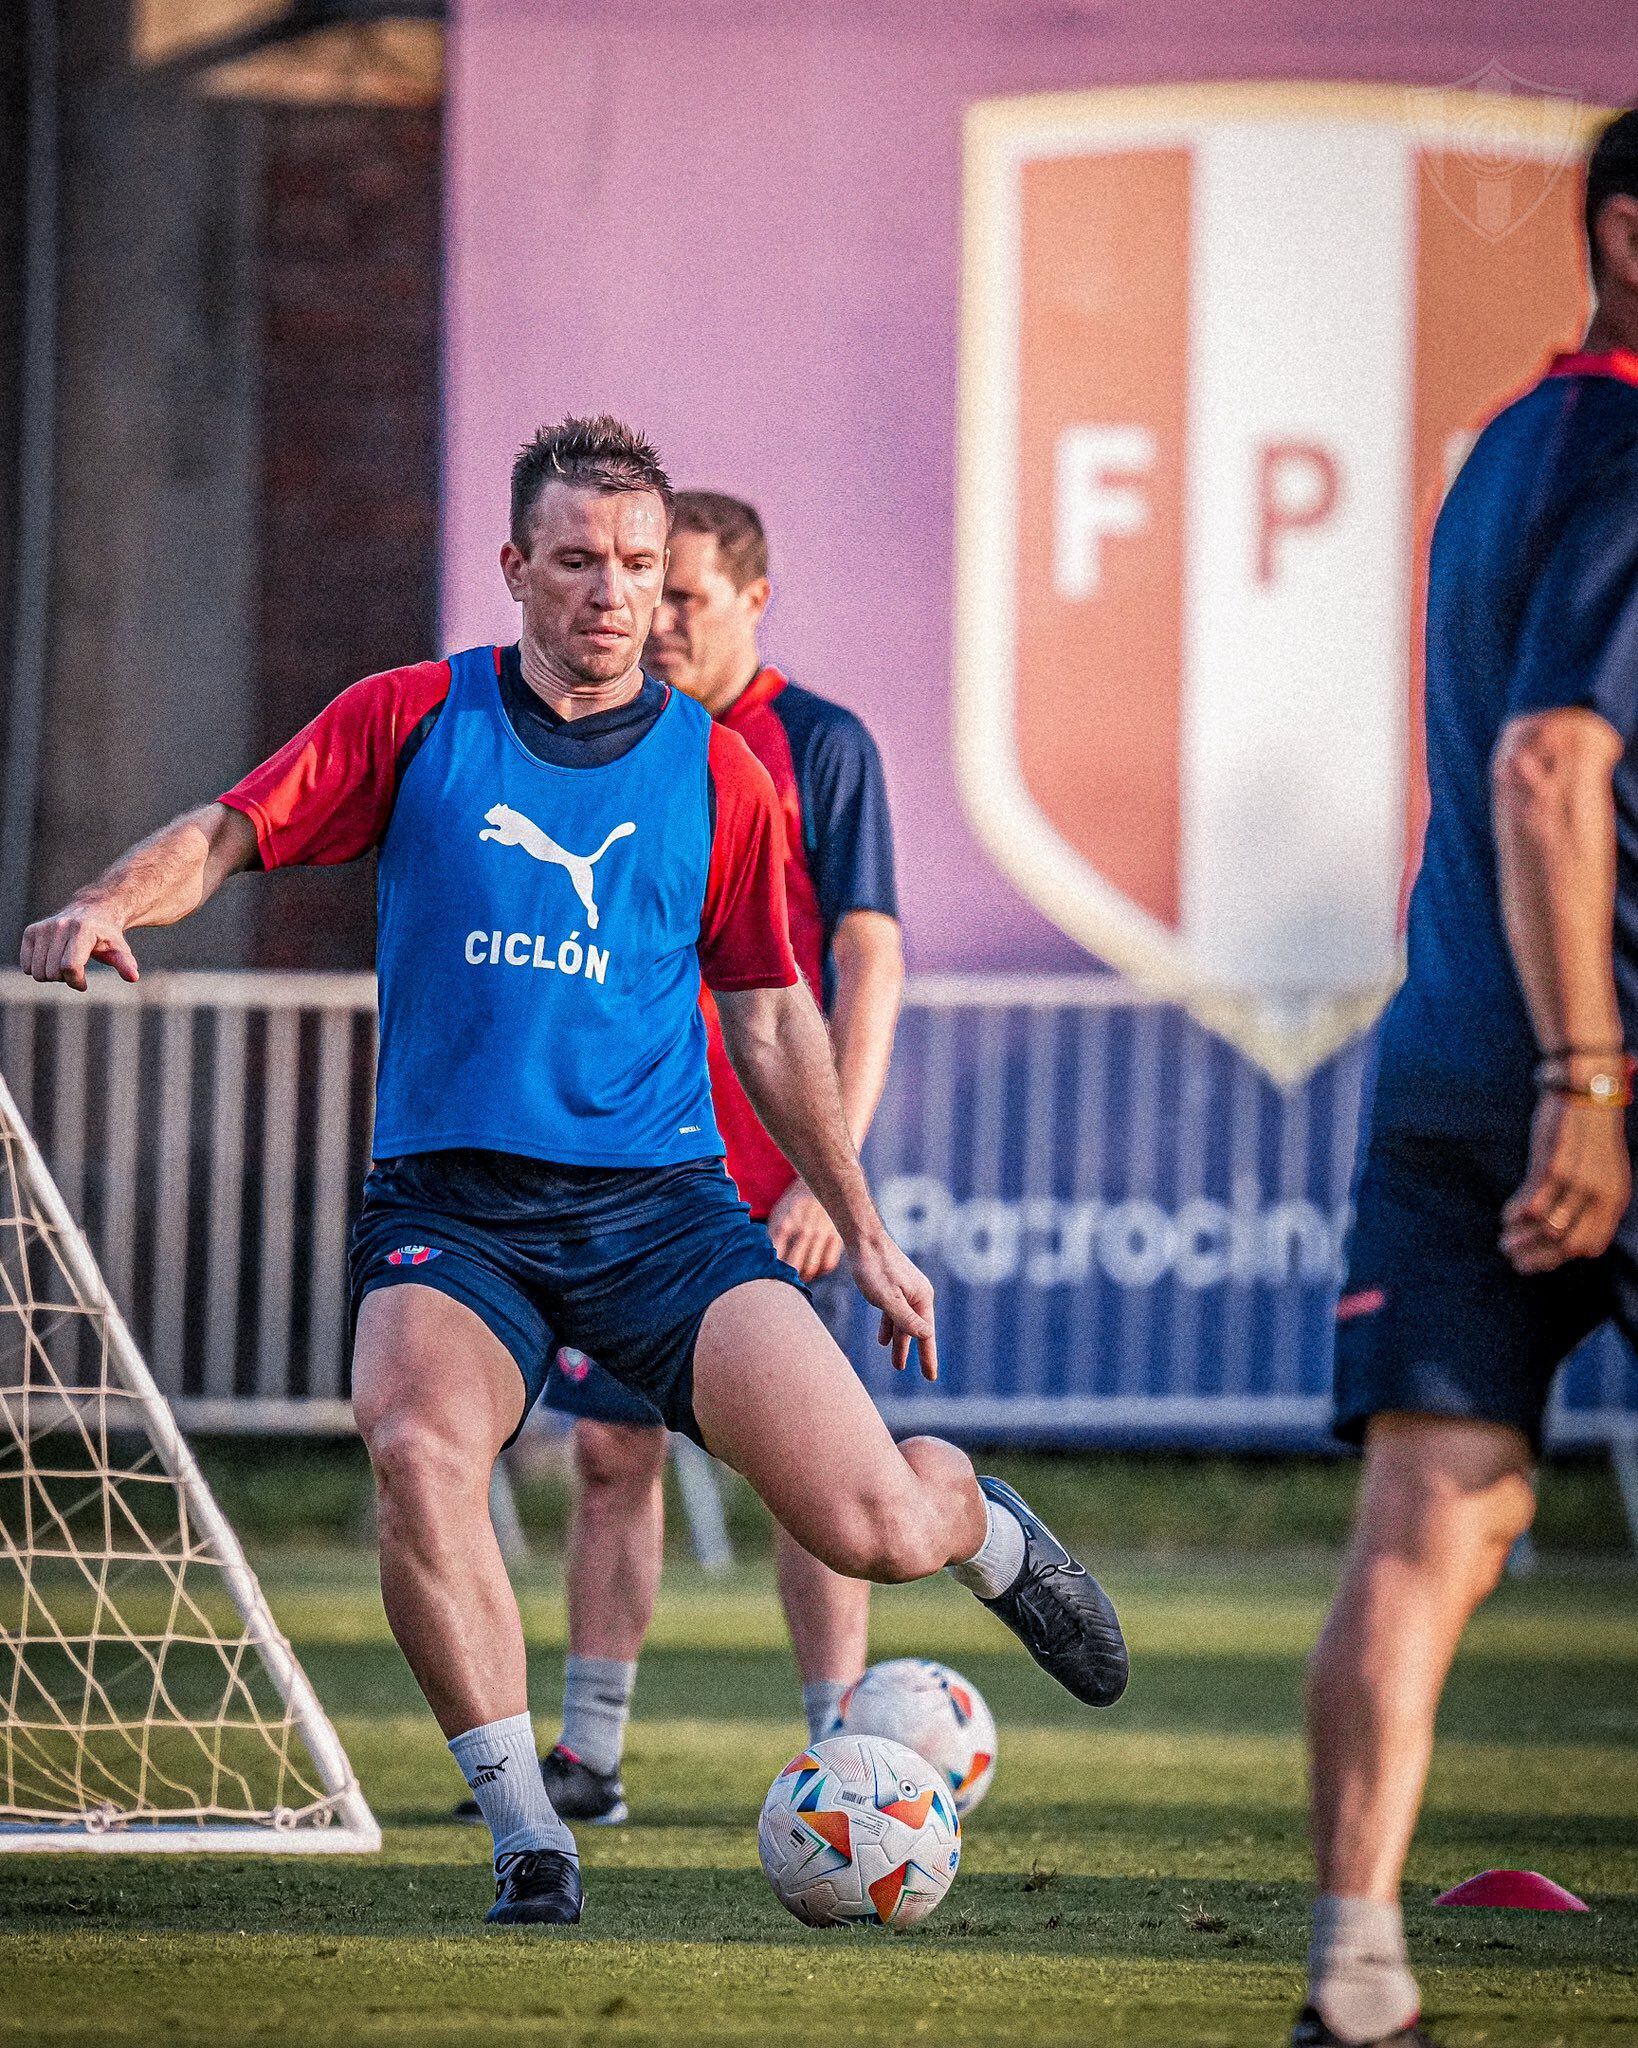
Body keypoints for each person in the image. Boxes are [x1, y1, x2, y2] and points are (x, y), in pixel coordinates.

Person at [20, 415, 1128, 1930]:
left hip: (662, 1215)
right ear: (514, 568)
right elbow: (228, 831)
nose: (611, 593)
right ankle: (528, 1829)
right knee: (415, 1444)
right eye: (576, 562)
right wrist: (100, 898)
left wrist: (859, 1222)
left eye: (634, 565)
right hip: (450, 1206)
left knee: (871, 1525)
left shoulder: (727, 775)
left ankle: (982, 1528)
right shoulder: (412, 719)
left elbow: (767, 1009)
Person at [1297, 112, 1638, 2048]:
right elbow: (1547, 772)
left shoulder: (1509, 444)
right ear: (1626, 232)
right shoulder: (1625, 450)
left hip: (1443, 1052)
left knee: (1429, 1522)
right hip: (1595, 1071)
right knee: (1436, 1523)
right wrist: (1588, 1081)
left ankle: (1354, 1979)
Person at [466, 491, 905, 1830]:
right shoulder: (610, 740)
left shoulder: (814, 747)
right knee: (611, 1458)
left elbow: (862, 963)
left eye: (683, 596)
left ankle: (846, 1757)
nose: (653, 620)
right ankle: (587, 1755)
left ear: (750, 601)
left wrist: (833, 1190)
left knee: (814, 1476)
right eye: (643, 593)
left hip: (766, 1195)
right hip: (632, 1178)